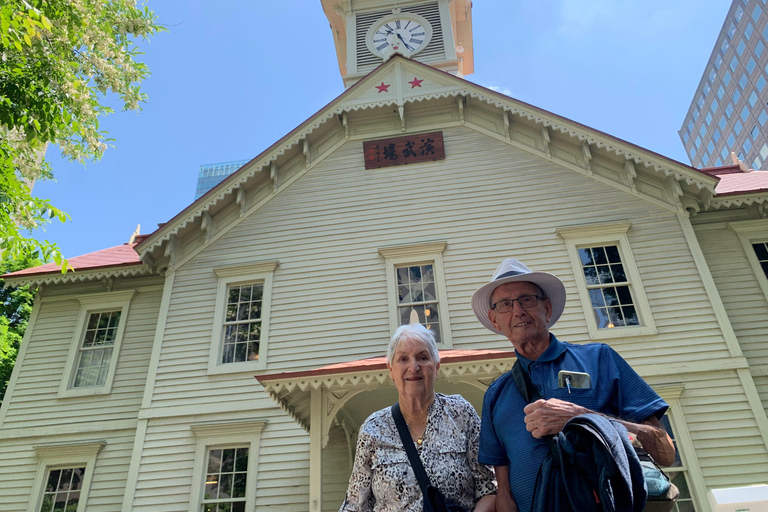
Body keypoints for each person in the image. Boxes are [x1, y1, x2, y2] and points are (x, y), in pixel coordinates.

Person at [471, 259, 675, 512]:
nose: (518, 311)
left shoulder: (599, 359)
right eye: (505, 304)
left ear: (546, 308)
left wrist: (582, 418)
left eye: (527, 300)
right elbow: (504, 494)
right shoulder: (496, 393)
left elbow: (666, 452)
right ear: (495, 320)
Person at [339, 323, 497, 512]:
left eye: (422, 357)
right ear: (391, 370)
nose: (413, 367)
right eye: (403, 359)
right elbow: (355, 505)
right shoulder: (373, 429)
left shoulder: (461, 414)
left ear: (436, 367)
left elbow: (489, 488)